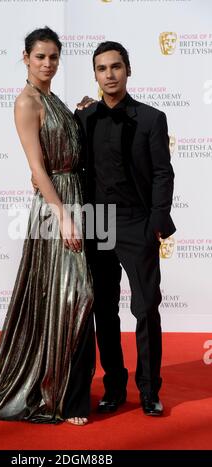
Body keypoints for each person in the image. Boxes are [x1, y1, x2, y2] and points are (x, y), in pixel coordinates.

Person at [0, 27, 95, 426]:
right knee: (74, 296)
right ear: (25, 57)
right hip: (55, 207)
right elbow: (37, 168)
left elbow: (66, 146)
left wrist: (82, 112)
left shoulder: (52, 98)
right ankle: (56, 396)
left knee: (70, 297)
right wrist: (62, 217)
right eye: (41, 56)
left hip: (74, 196)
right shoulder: (27, 102)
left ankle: (66, 392)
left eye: (54, 57)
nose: (48, 63)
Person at [75, 41, 175, 416]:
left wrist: (156, 224)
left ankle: (149, 389)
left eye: (116, 67)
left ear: (127, 70)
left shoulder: (152, 118)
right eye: (102, 68)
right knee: (104, 308)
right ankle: (114, 385)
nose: (110, 74)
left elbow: (164, 173)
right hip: (97, 219)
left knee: (146, 307)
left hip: (137, 221)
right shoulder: (84, 118)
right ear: (96, 74)